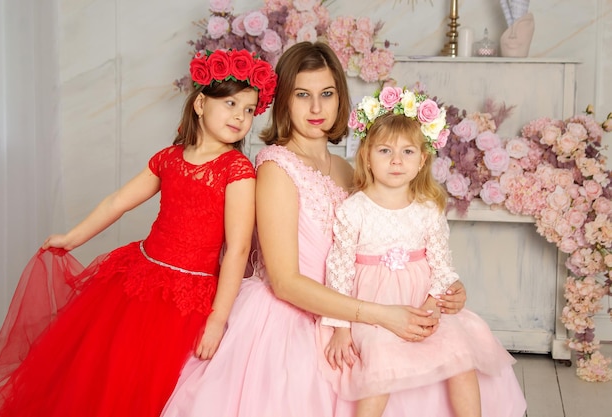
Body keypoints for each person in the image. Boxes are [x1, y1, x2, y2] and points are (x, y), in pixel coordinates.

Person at [161, 41, 467, 417]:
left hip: (354, 307)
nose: (317, 108)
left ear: (340, 97)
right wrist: (382, 315)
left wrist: (442, 285)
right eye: (302, 95)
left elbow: (386, 242)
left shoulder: (348, 169)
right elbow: (285, 281)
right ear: (285, 101)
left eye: (327, 94)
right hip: (292, 317)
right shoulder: (276, 168)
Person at [0, 48, 277, 417]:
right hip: (140, 277)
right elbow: (117, 202)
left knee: (153, 380)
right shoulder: (170, 158)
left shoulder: (236, 170)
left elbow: (237, 248)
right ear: (201, 104)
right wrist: (71, 238)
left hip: (189, 296)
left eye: (249, 109)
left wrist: (218, 319)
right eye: (231, 103)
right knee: (107, 368)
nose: (240, 115)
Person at [319, 87, 527, 417]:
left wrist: (432, 306)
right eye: (385, 150)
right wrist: (341, 328)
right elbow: (339, 270)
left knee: (460, 353)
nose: (397, 160)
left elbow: (442, 263)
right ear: (367, 157)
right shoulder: (353, 210)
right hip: (375, 310)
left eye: (407, 152)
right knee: (379, 367)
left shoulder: (427, 208)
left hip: (424, 305)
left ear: (422, 160)